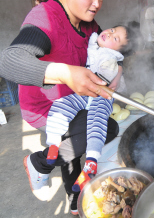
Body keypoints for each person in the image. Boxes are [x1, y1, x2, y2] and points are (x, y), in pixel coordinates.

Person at [0, 0, 120, 215]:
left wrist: (116, 67)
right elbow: (10, 62)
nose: (97, 4)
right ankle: (38, 162)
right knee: (100, 130)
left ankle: (74, 201)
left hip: (74, 99)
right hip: (45, 106)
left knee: (87, 134)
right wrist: (65, 73)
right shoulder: (46, 16)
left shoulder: (89, 24)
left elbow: (104, 52)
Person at [45, 25, 134, 193]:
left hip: (102, 95)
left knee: (97, 121)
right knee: (60, 106)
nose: (110, 33)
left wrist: (118, 69)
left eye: (116, 39)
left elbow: (113, 72)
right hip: (83, 93)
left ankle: (91, 162)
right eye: (113, 30)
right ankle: (53, 142)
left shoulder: (113, 59)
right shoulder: (93, 42)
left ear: (119, 52)